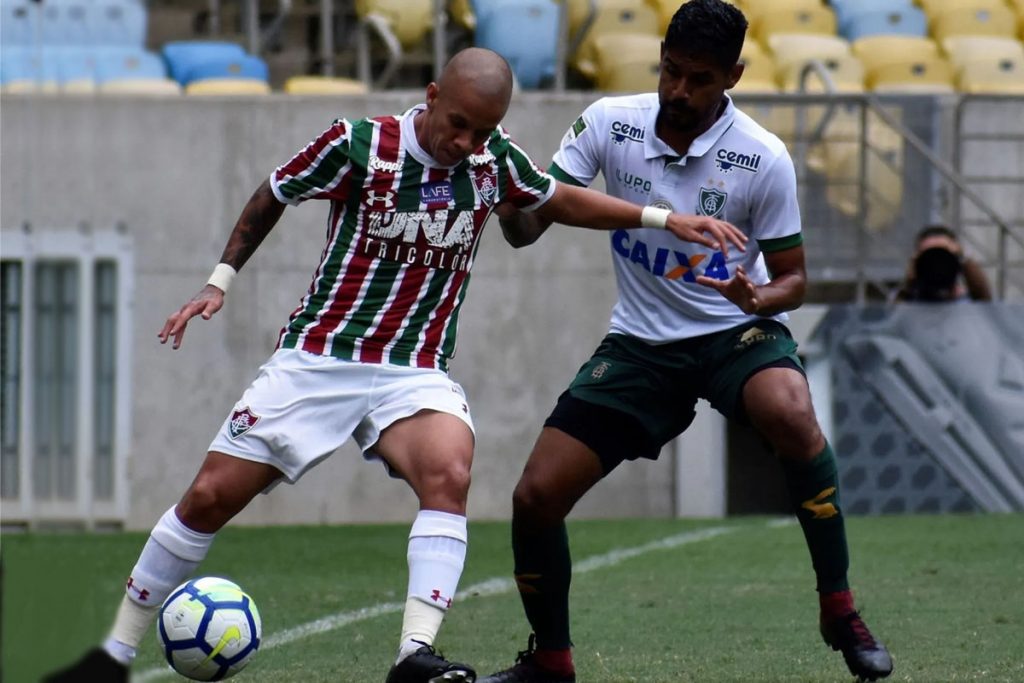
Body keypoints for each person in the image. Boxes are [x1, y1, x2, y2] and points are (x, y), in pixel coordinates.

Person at [43, 47, 747, 683]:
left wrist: (661, 219)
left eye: (484, 130)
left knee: (450, 468)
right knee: (208, 497)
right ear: (433, 94)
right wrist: (218, 280)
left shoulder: (492, 158)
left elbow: (554, 198)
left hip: (413, 368)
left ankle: (414, 654)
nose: (468, 143)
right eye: (461, 125)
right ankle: (113, 650)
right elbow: (275, 192)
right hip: (320, 356)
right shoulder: (360, 144)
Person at [480, 2, 894, 682]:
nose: (678, 90)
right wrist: (511, 207)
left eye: (699, 79)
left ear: (733, 74)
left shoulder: (762, 157)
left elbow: (793, 280)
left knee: (791, 411)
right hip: (642, 344)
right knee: (535, 497)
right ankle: (551, 661)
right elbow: (534, 223)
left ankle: (838, 606)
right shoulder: (610, 122)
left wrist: (758, 298)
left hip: (736, 330)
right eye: (670, 70)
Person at [896, 224, 993, 302]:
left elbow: (985, 301)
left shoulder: (966, 300)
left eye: (943, 253)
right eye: (930, 255)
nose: (937, 262)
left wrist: (963, 258)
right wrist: (909, 283)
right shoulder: (910, 299)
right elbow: (893, 319)